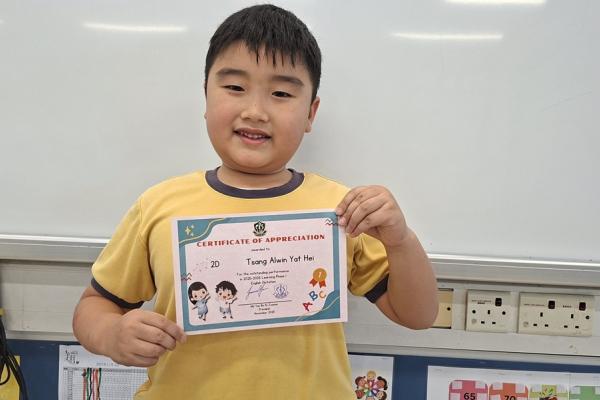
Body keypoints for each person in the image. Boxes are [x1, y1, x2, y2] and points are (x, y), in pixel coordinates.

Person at [72, 4, 438, 399]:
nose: (255, 111)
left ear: (311, 113)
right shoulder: (160, 204)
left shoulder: (340, 208)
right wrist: (112, 334)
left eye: (281, 93)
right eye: (234, 87)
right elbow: (95, 305)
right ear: (206, 96)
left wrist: (401, 240)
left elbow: (418, 315)